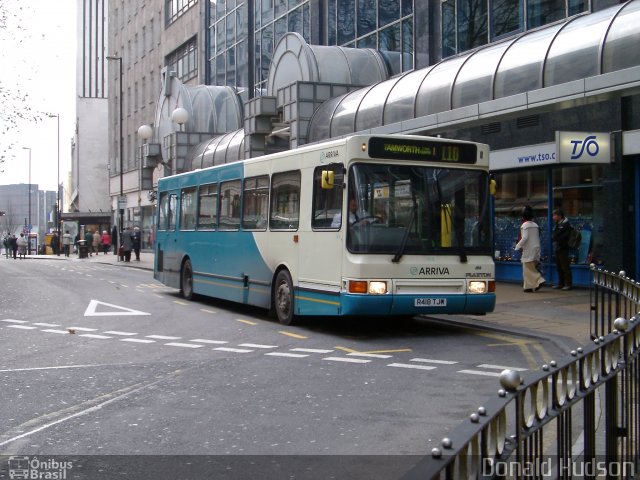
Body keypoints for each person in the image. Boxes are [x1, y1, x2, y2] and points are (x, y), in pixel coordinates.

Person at [514, 206, 545, 292]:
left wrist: (517, 246)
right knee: (529, 269)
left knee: (528, 269)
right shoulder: (535, 225)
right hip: (536, 249)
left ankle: (539, 280)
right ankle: (528, 287)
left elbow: (525, 238)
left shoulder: (524, 225)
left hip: (528, 250)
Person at [552, 208, 573, 291]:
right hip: (558, 247)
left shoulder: (566, 225)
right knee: (559, 266)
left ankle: (568, 284)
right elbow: (555, 235)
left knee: (565, 267)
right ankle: (561, 283)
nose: (553, 217)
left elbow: (563, 236)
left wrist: (556, 238)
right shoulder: (558, 224)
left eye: (554, 215)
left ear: (560, 216)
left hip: (563, 248)